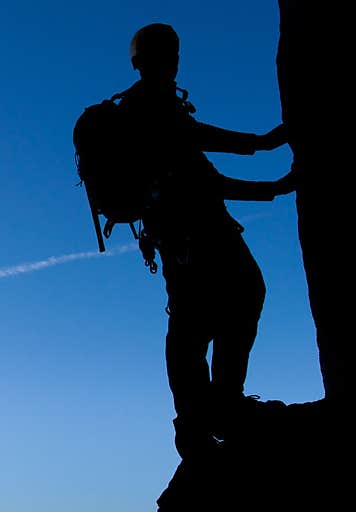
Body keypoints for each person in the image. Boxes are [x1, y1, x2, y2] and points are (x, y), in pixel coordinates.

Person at [118, 23, 293, 459]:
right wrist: (271, 170)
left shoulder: (154, 108)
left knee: (201, 323)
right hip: (193, 236)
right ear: (149, 62)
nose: (172, 65)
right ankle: (214, 413)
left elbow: (202, 156)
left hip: (186, 237)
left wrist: (265, 148)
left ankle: (210, 414)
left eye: (173, 57)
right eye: (166, 57)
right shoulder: (150, 111)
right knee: (216, 314)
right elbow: (205, 173)